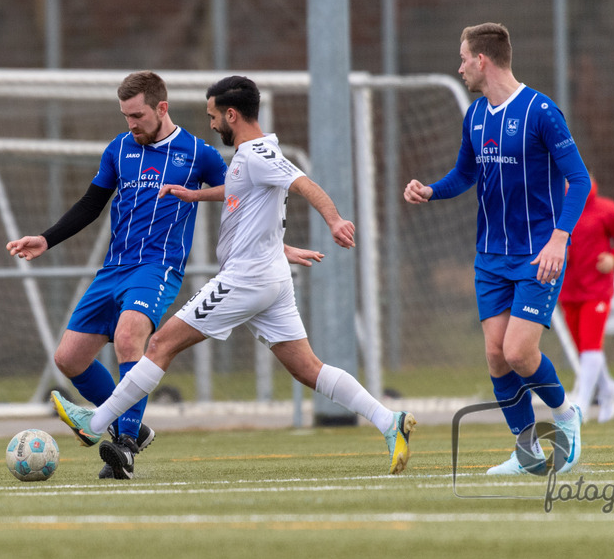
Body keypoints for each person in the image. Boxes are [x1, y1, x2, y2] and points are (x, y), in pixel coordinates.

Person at [50, 75, 417, 477]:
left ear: (230, 114)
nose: (210, 124)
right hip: (270, 277)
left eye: (212, 116)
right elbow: (241, 194)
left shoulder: (257, 153)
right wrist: (194, 195)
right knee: (307, 368)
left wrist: (334, 219)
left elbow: (302, 183)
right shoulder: (247, 155)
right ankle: (389, 421)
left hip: (246, 278)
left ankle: (96, 424)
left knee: (158, 345)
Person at [6, 70, 228, 479]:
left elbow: (238, 199)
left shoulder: (199, 153)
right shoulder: (119, 149)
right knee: (68, 358)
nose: (131, 124)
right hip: (113, 268)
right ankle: (131, 426)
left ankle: (123, 447)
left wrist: (270, 244)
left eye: (138, 115)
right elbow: (91, 204)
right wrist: (45, 238)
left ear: (162, 108)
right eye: (125, 116)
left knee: (129, 337)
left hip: (158, 267)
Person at [403, 22, 590, 476]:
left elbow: (579, 181)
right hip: (490, 257)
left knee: (520, 353)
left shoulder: (541, 111)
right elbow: (465, 174)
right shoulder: (475, 115)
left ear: (482, 59)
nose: (460, 65)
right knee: (494, 354)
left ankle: (566, 417)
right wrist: (431, 190)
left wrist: (558, 240)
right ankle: (526, 451)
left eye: (463, 57)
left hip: (536, 255)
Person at [559, 176, 614, 423]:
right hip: (568, 289)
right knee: (583, 347)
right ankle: (609, 388)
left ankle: (581, 402)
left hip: (597, 288)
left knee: (591, 345)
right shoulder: (556, 205)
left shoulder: (606, 208)